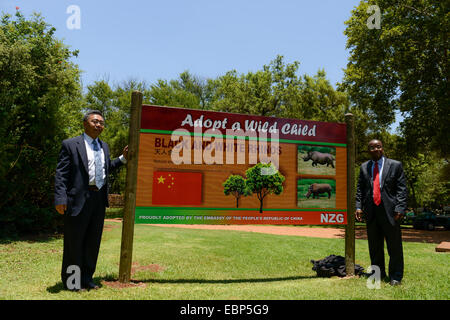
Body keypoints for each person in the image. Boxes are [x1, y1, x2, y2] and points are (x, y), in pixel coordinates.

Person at [54, 110, 128, 291]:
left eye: (102, 122)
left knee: (92, 243)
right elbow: (61, 174)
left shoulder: (104, 146)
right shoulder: (70, 145)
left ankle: (87, 279)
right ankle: (72, 283)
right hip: (77, 201)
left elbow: (105, 167)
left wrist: (123, 159)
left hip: (98, 201)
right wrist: (60, 198)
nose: (99, 125)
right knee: (74, 244)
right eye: (95, 121)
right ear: (85, 123)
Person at [355, 139, 407, 286]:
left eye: (378, 146)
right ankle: (377, 274)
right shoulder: (364, 167)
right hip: (371, 212)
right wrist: (358, 206)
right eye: (371, 147)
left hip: (391, 212)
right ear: (368, 150)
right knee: (375, 246)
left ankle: (395, 276)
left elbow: (402, 189)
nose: (375, 149)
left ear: (382, 148)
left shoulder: (395, 165)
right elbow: (360, 189)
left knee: (394, 246)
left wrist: (400, 208)